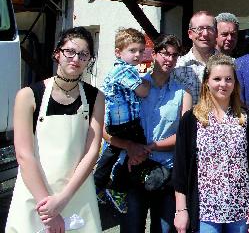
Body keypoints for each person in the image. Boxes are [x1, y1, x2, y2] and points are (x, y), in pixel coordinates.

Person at [6, 27, 104, 232]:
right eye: (70, 51)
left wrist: (63, 199)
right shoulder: (29, 95)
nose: (76, 58)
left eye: (84, 54)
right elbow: (24, 155)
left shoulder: (96, 97)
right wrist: (48, 207)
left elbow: (92, 151)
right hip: (35, 194)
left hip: (76, 192)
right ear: (57, 53)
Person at [173, 54, 249, 233]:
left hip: (241, 210)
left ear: (235, 83)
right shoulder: (192, 119)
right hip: (206, 211)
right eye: (217, 79)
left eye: (228, 79)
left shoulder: (247, 118)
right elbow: (181, 168)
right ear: (206, 81)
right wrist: (181, 209)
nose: (223, 84)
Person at [118, 34, 193, 232]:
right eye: (165, 53)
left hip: (166, 174)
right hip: (134, 170)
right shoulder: (134, 86)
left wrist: (151, 147)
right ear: (154, 53)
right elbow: (110, 125)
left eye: (174, 55)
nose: (169, 59)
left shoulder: (182, 94)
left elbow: (184, 136)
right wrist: (131, 147)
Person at [94, 27, 150, 202]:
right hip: (125, 123)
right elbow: (143, 92)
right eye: (132, 50)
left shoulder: (119, 69)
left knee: (112, 153)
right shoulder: (124, 70)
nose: (137, 55)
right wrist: (148, 82)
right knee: (140, 149)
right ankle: (117, 187)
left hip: (117, 122)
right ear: (118, 52)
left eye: (141, 51)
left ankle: (97, 185)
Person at [173, 11, 217, 103]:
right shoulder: (176, 67)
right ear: (190, 33)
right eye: (199, 28)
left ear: (216, 33)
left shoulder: (231, 65)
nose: (205, 33)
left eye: (210, 28)